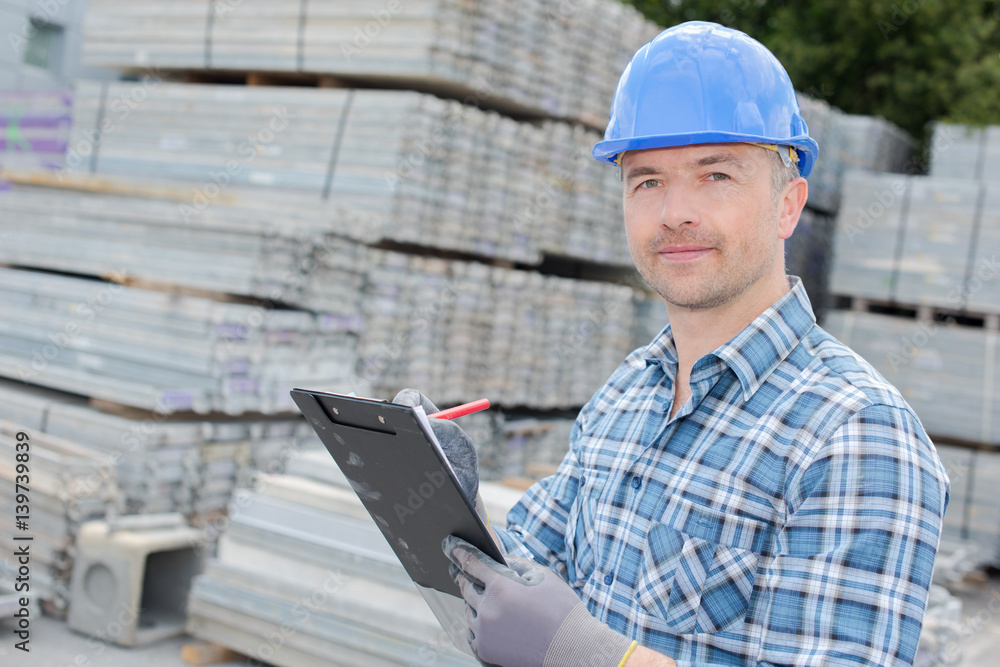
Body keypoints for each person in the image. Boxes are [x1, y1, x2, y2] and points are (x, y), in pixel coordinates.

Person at [397, 20, 949, 667]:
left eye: (715, 175)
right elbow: (521, 577)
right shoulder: (629, 391)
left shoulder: (857, 436)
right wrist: (441, 496)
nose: (674, 211)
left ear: (788, 205)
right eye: (648, 180)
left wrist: (586, 653)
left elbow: (557, 638)